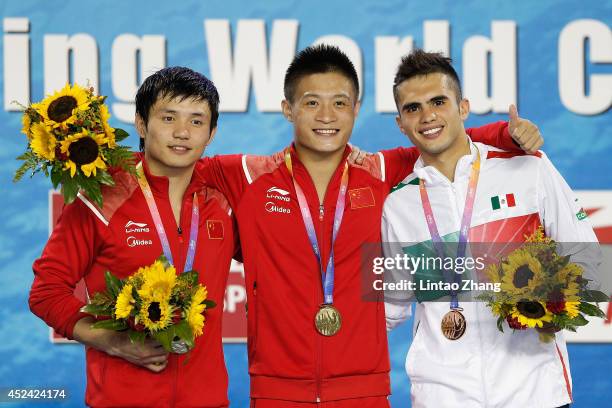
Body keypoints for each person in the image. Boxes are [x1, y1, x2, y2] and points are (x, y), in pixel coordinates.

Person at [195, 44, 542, 407]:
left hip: (365, 393)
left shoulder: (379, 171)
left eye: (340, 103)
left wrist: (506, 134)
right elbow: (165, 163)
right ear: (288, 109)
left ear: (356, 109)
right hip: (276, 392)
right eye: (312, 102)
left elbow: (445, 139)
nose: (327, 115)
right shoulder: (247, 176)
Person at [382, 49, 601, 408]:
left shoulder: (528, 168)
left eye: (439, 101)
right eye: (413, 108)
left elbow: (591, 263)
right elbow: (390, 306)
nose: (428, 116)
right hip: (442, 396)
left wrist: (548, 300)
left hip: (534, 392)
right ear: (400, 123)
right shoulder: (398, 204)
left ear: (463, 107)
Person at [29, 67, 236, 407]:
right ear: (141, 123)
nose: (182, 132)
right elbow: (46, 291)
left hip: (208, 401)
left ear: (211, 133)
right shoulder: (102, 196)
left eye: (197, 121)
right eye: (168, 118)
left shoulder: (224, 199)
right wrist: (113, 341)